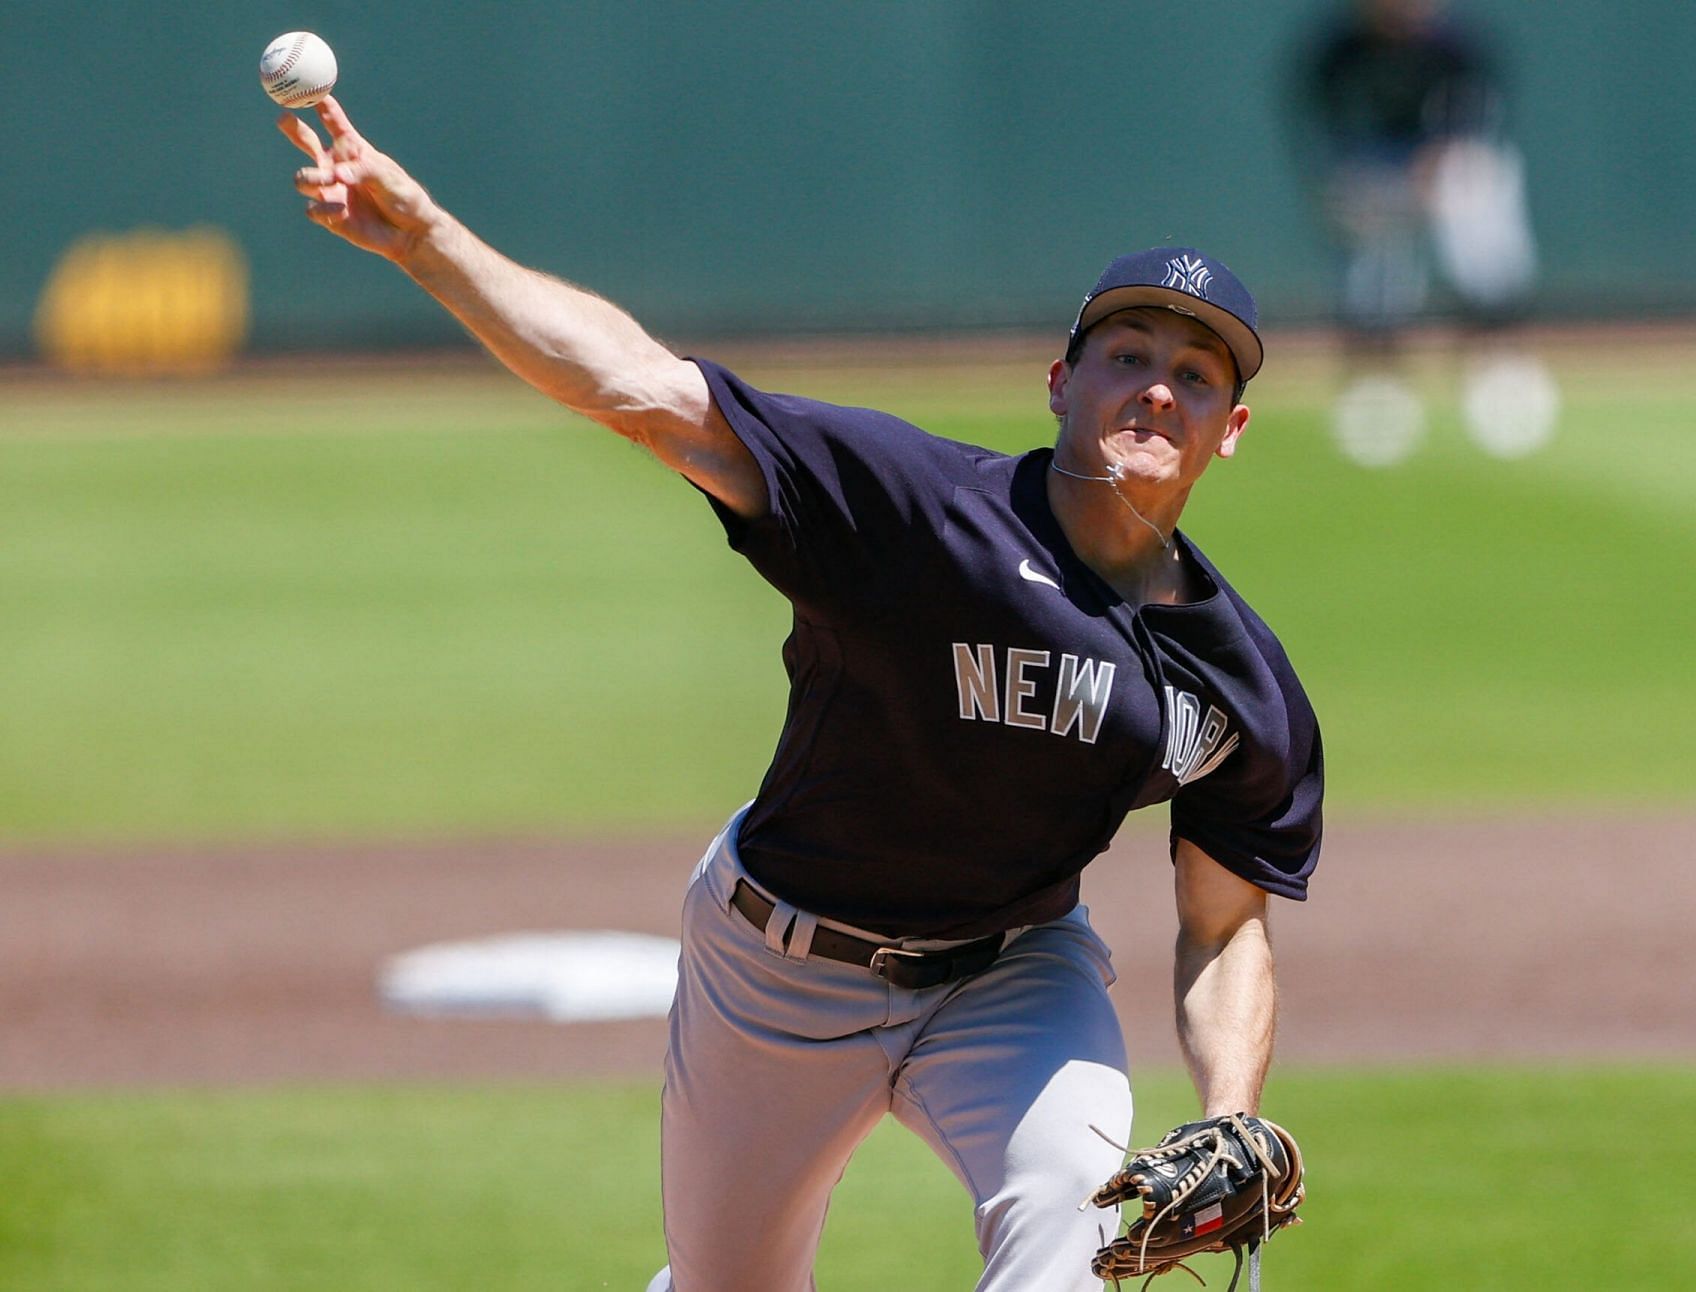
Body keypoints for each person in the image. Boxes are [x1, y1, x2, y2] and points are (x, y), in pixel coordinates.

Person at [278, 96, 1323, 1291]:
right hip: (775, 966)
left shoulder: (1237, 678)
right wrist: (424, 241)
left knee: (1070, 1249)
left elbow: (1225, 919)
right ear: (1059, 381)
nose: (1155, 389)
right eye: (1126, 355)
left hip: (1011, 976)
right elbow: (640, 388)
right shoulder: (916, 511)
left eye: (1193, 372)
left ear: (1229, 426)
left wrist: (1231, 1106)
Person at [1291, 0, 1558, 464]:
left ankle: (1499, 369)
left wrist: (1441, 158)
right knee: (1375, 267)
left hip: (1448, 160)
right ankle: (1377, 387)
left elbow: (1482, 119)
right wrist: (1347, 181)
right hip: (1376, 165)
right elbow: (1322, 126)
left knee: (1479, 227)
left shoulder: (1456, 46)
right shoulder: (1340, 49)